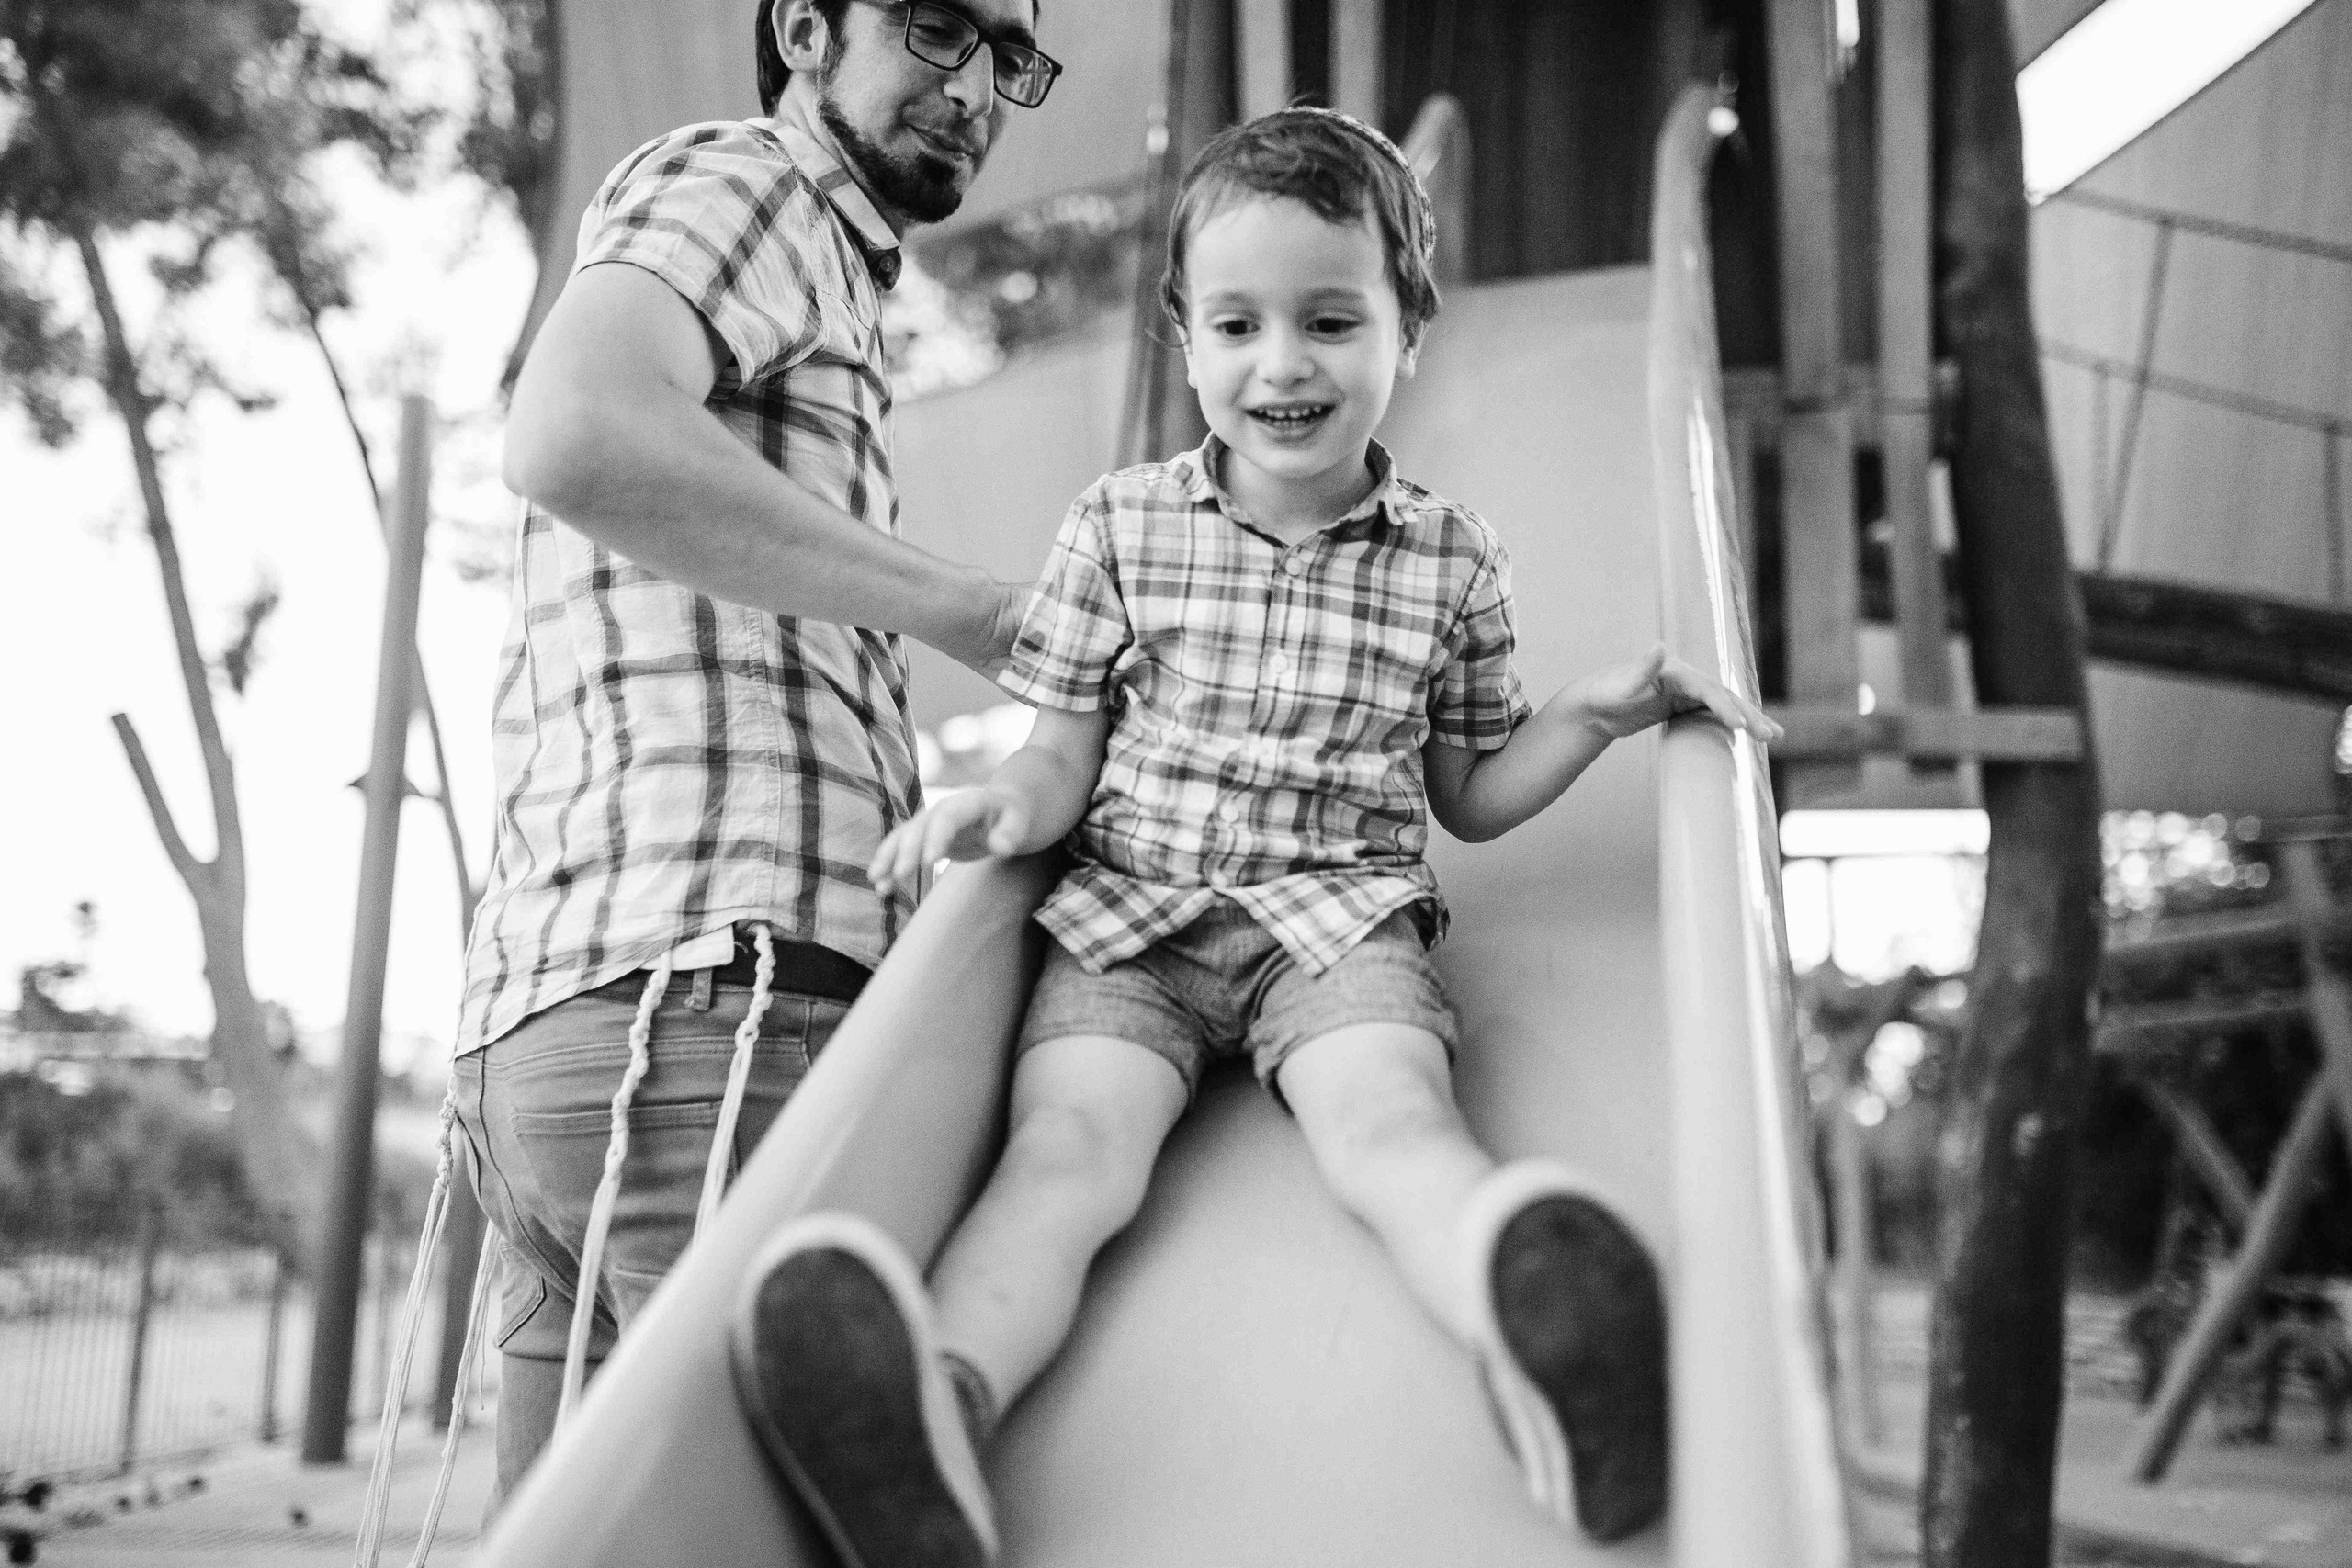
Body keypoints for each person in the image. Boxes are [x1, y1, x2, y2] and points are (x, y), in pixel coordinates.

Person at [729, 107, 1781, 1563]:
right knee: (1064, 1163)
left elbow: (1470, 792)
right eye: (1238, 324)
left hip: (1340, 927)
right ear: (1184, 336)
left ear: (1411, 325)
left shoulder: (1454, 557)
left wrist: (1593, 718)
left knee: (1392, 1124)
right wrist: (989, 812)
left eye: (1331, 320)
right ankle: (938, 1420)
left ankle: (1538, 1316)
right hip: (1131, 930)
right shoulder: (1117, 527)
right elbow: (1055, 760)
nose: (1282, 364)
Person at [454, 0, 1060, 1500]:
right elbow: (573, 426)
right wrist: (971, 614)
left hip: (565, 1028)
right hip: (707, 1017)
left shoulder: (822, 286)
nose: (977, 89)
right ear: (802, 26)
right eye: (938, 31)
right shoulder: (756, 183)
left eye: (1011, 61)